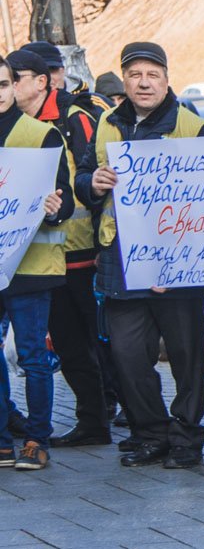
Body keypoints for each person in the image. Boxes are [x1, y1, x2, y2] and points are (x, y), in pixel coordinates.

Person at [75, 43, 204, 469]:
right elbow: (82, 177)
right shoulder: (107, 125)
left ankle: (186, 438)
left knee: (186, 358)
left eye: (152, 74)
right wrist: (93, 183)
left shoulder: (193, 127)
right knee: (128, 356)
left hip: (179, 264)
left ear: (167, 78)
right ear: (125, 80)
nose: (144, 82)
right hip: (122, 261)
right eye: (135, 74)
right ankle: (151, 433)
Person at [5, 48, 115, 449]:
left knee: (104, 341)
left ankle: (123, 416)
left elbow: (92, 177)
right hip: (47, 260)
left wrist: (106, 241)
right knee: (69, 347)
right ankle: (93, 418)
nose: (11, 87)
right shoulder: (22, 125)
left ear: (42, 81)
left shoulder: (71, 118)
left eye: (14, 79)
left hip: (85, 253)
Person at [0, 55, 73, 470]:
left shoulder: (41, 136)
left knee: (31, 355)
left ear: (13, 86)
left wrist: (53, 208)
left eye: (3, 84)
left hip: (29, 265)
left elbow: (63, 195)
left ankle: (37, 438)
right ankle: (3, 438)